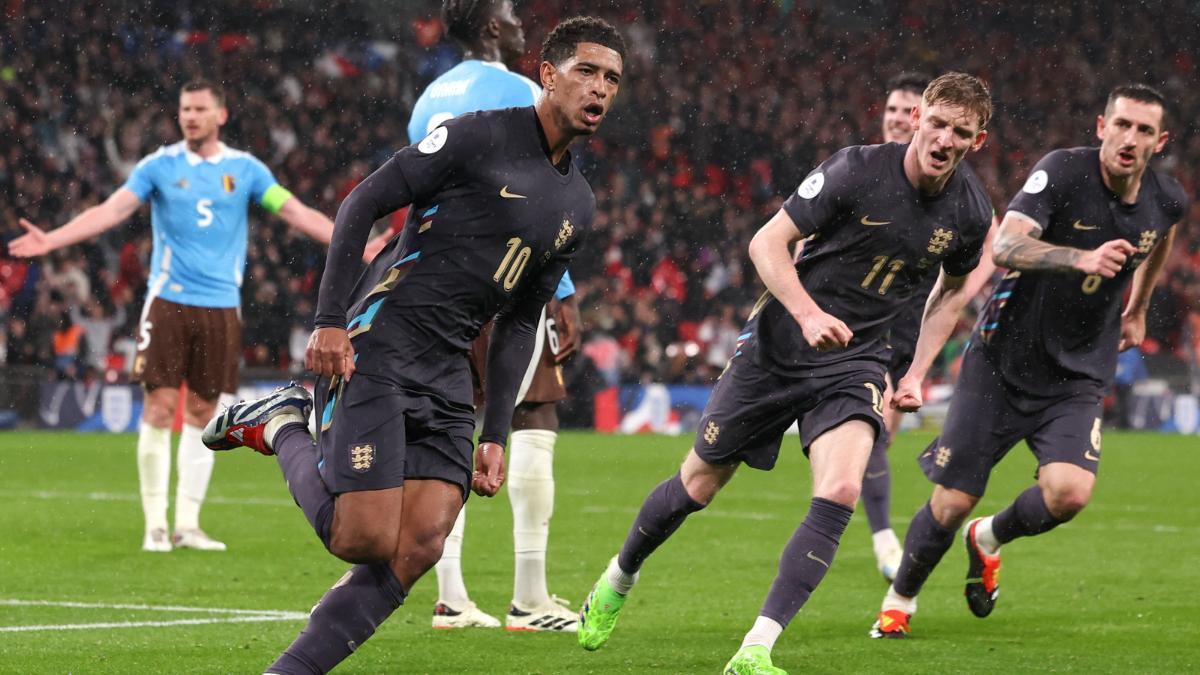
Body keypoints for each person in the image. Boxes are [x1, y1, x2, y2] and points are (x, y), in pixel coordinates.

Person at [202, 17, 625, 674]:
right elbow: (362, 203)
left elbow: (519, 321)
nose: (600, 89)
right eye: (586, 71)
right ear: (547, 73)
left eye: (612, 79)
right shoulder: (477, 134)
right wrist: (330, 319)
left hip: (452, 367)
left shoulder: (579, 202)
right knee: (362, 536)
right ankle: (282, 420)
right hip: (383, 342)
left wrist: (496, 433)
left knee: (421, 540)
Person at [578, 72, 994, 674]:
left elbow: (952, 294)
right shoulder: (855, 170)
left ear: (977, 141)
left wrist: (917, 372)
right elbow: (766, 243)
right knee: (699, 484)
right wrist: (807, 312)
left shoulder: (970, 212)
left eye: (961, 132)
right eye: (937, 123)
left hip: (860, 357)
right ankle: (618, 578)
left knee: (841, 489)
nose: (944, 139)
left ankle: (756, 648)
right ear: (918, 118)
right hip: (779, 347)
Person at [869, 84, 1185, 639]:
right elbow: (1005, 247)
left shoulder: (1167, 198)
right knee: (951, 502)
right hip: (1001, 361)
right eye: (1121, 125)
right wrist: (1078, 257)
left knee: (1069, 493)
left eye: (1142, 130)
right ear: (1100, 126)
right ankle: (901, 599)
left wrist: (1137, 309)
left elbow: (1160, 235)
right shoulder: (1063, 172)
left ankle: (988, 537)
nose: (1128, 138)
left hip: (1077, 374)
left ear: (1159, 142)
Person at [8, 80, 343, 553]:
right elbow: (111, 210)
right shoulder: (159, 167)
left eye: (200, 109)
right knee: (161, 407)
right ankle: (155, 526)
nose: (190, 116)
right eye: (185, 109)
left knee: (207, 413)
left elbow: (293, 211)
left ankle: (188, 524)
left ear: (220, 115)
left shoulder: (245, 170)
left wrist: (348, 242)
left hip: (222, 307)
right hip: (169, 302)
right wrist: (53, 240)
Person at [407, 0, 584, 632]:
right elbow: (543, 197)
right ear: (490, 29)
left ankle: (450, 596)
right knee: (534, 412)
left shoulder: (429, 97)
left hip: (437, 286)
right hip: (507, 283)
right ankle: (529, 598)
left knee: (448, 425)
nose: (517, 22)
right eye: (509, 13)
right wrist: (559, 291)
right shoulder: (522, 90)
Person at [863, 72, 1001, 581]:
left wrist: (958, 291)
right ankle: (882, 540)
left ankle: (866, 526)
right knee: (866, 427)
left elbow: (993, 242)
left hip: (907, 322)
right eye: (892, 111)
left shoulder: (961, 195)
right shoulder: (863, 169)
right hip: (853, 319)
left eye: (906, 110)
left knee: (878, 431)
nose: (899, 119)